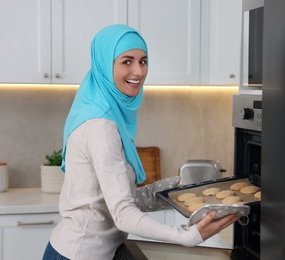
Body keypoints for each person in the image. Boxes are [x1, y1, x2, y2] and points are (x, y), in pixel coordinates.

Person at [42, 24, 240, 260]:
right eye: (127, 61)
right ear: (105, 64)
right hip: (81, 252)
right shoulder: (100, 127)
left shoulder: (103, 111)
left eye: (143, 61)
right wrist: (187, 235)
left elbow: (120, 197)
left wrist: (174, 189)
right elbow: (123, 213)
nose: (139, 71)